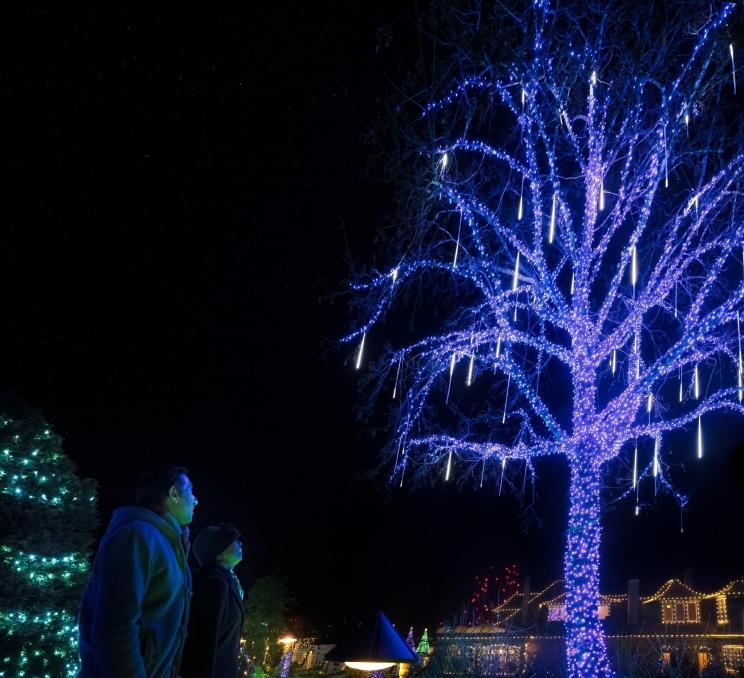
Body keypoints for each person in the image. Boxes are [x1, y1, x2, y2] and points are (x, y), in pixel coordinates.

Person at [78, 465, 198, 678]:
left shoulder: (165, 544)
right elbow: (115, 629)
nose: (196, 500)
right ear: (173, 493)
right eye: (191, 491)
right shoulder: (137, 536)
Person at [181, 523, 245, 678]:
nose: (240, 543)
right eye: (233, 541)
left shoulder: (225, 581)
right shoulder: (215, 584)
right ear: (220, 551)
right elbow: (205, 642)